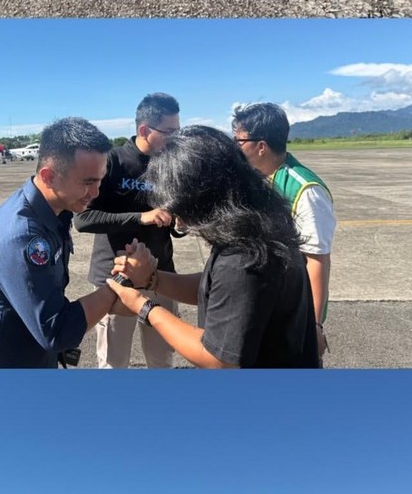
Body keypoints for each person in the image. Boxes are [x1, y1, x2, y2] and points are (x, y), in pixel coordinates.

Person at [106, 126, 319, 368]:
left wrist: (142, 305)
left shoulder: (244, 257)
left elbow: (217, 358)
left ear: (196, 197)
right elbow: (219, 288)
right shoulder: (256, 228)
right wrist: (152, 279)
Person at [0, 117, 121, 368]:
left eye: (100, 180)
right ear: (49, 177)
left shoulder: (57, 211)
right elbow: (56, 330)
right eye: (88, 182)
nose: (96, 193)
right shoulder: (20, 236)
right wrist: (117, 288)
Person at [74, 93, 182, 369]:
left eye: (177, 131)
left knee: (162, 360)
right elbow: (83, 219)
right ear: (144, 130)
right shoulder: (112, 162)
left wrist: (181, 225)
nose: (175, 139)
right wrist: (140, 218)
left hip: (161, 276)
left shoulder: (171, 165)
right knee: (113, 362)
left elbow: (175, 220)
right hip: (116, 279)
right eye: (169, 132)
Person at [231, 102, 335, 363]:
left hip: (290, 314)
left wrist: (313, 325)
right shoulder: (256, 179)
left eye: (239, 141)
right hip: (262, 306)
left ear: (261, 146)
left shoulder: (305, 191)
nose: (235, 147)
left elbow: (317, 260)